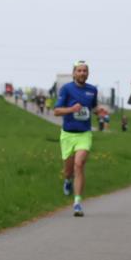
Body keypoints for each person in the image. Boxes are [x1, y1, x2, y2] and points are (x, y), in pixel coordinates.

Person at [54, 61, 98, 216]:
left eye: (85, 70)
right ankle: (67, 180)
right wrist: (71, 109)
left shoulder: (92, 90)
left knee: (79, 165)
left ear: (88, 73)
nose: (82, 73)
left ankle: (77, 202)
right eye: (79, 70)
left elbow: (93, 107)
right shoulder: (66, 89)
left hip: (84, 134)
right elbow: (57, 111)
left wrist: (100, 112)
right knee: (68, 171)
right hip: (67, 134)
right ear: (74, 73)